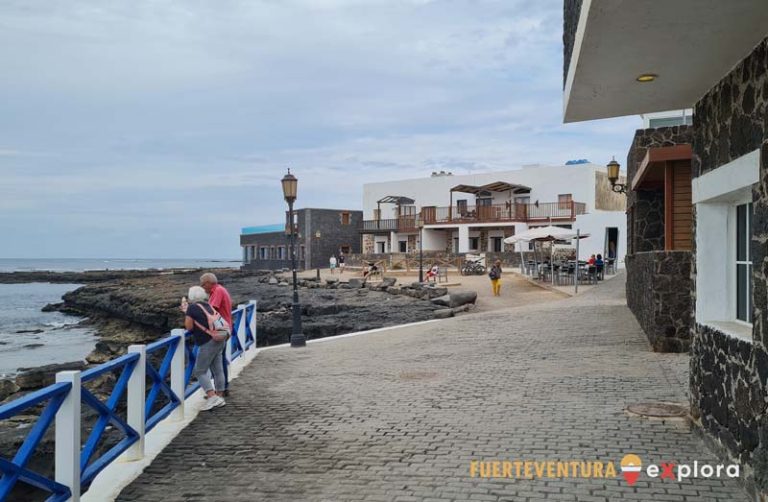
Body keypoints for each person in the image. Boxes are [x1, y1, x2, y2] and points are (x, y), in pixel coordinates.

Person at [183, 286, 227, 411]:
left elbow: (189, 327)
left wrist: (187, 313)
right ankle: (219, 397)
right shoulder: (207, 305)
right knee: (217, 369)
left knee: (199, 371)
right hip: (219, 338)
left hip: (207, 342)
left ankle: (212, 397)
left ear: (191, 297)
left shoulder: (192, 308)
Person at [200, 273, 232, 394]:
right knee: (219, 360)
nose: (202, 287)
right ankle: (223, 388)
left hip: (220, 331)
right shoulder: (219, 290)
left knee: (216, 361)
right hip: (224, 328)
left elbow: (211, 311)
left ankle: (221, 389)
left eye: (203, 284)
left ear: (209, 283)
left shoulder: (217, 291)